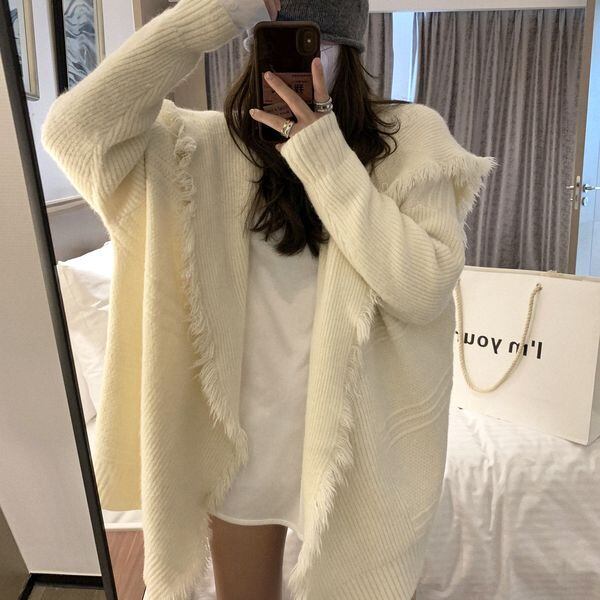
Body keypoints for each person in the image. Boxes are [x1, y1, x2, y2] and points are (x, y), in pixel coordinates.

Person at [41, 0, 496, 599]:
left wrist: (323, 153)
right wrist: (220, 11)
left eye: (314, 47)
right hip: (243, 455)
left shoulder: (410, 139)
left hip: (358, 454)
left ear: (350, 53)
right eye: (271, 44)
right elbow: (73, 131)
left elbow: (424, 289)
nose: (293, 71)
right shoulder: (200, 146)